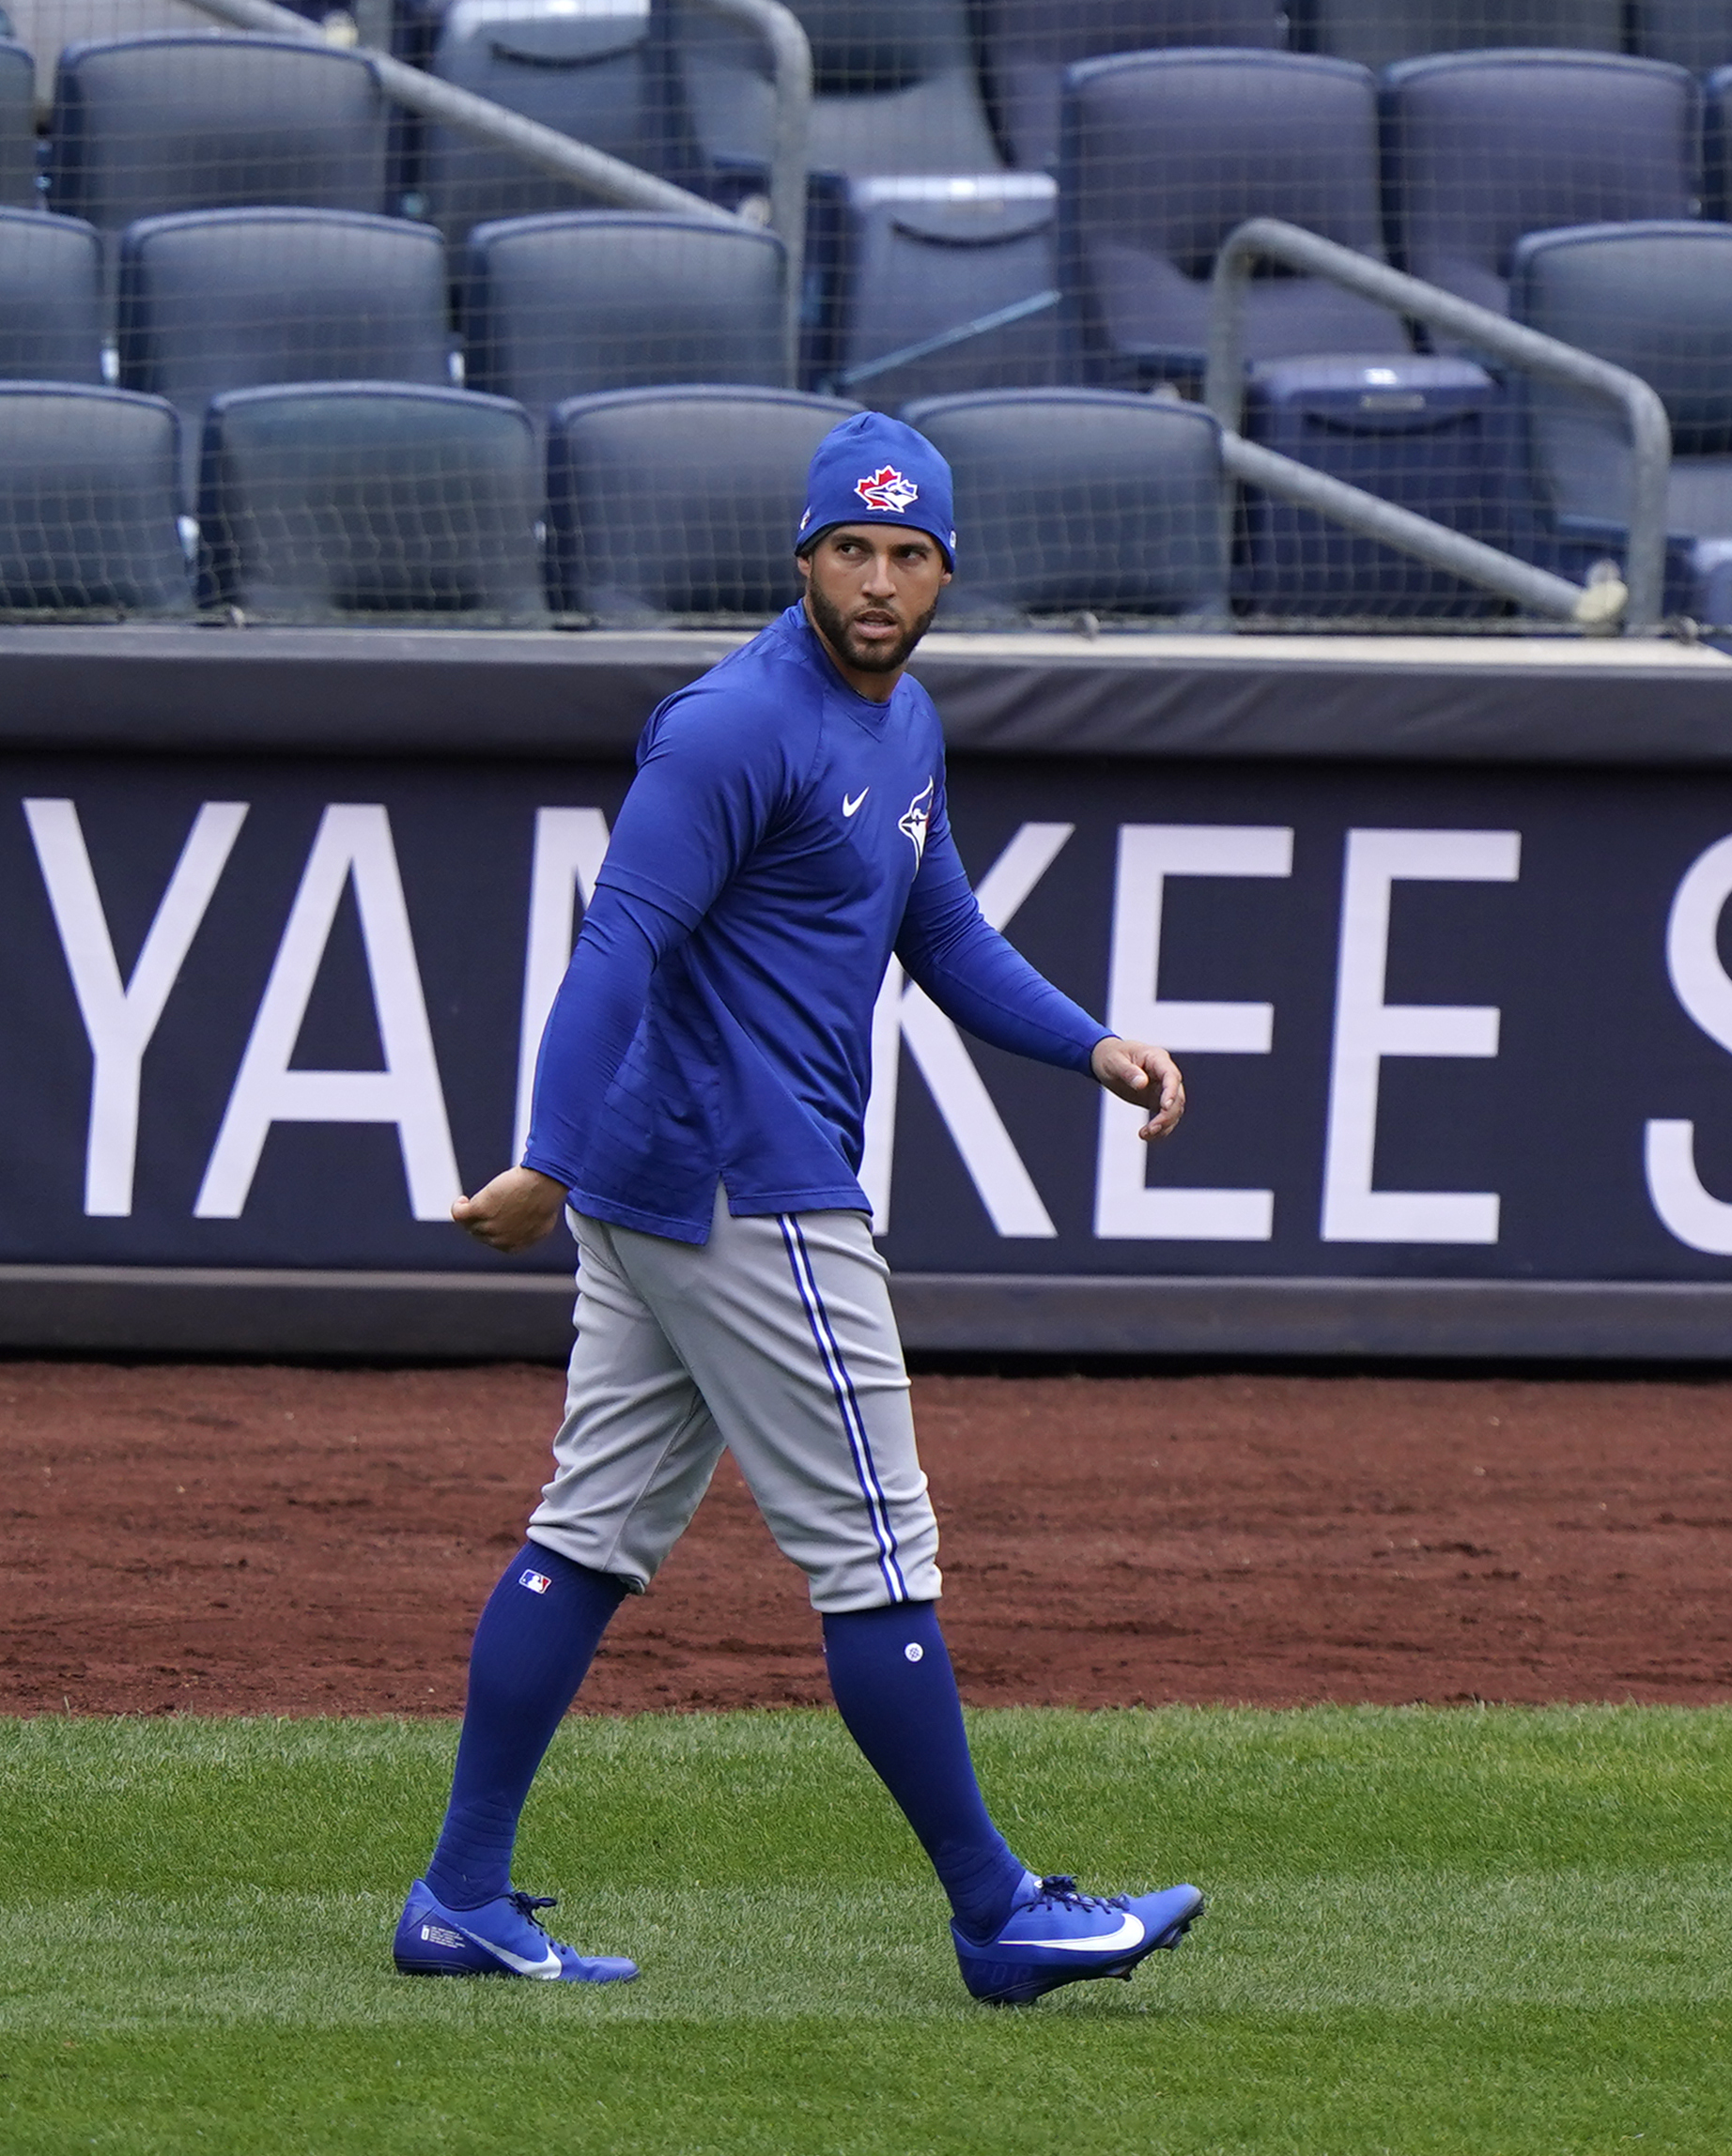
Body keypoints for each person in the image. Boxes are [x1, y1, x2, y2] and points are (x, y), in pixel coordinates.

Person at [389, 412, 1202, 2006]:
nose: (880, 581)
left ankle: (461, 1896)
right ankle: (996, 1915)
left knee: (591, 1534)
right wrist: (543, 1160)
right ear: (805, 556)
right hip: (743, 1187)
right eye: (853, 549)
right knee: (880, 1550)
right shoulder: (731, 726)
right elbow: (617, 939)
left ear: (945, 570)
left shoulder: (901, 725)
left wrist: (1091, 1041)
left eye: (909, 556)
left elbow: (944, 931)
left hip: (672, 1186)